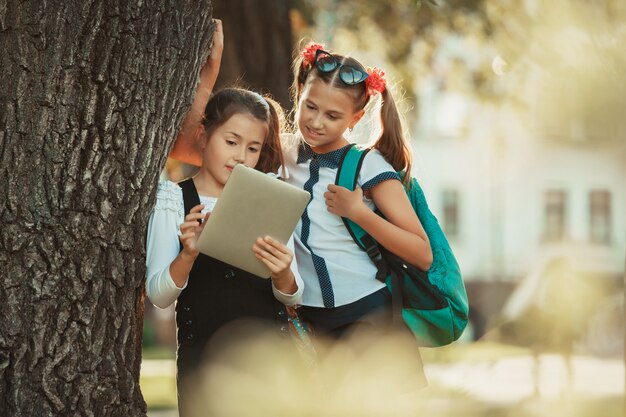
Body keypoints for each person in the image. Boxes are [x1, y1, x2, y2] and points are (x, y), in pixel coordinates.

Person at [145, 23, 304, 415]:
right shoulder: (173, 198)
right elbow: (159, 294)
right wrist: (188, 254)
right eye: (230, 142)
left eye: (252, 148)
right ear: (203, 136)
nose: (240, 157)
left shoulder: (268, 192)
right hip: (205, 366)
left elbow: (293, 294)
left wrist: (283, 272)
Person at [282, 41, 433, 340]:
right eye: (310, 106)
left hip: (367, 318)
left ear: (355, 118)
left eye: (332, 116)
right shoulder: (281, 149)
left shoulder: (369, 165)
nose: (315, 121)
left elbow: (422, 253)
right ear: (300, 92)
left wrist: (358, 212)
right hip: (308, 321)